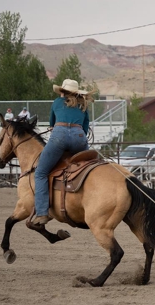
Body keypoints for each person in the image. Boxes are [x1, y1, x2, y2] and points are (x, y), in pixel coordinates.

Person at [33, 79, 92, 226]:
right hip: (79, 137)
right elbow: (85, 127)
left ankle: (42, 213)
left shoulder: (57, 102)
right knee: (90, 168)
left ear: (62, 91)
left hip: (59, 136)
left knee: (40, 173)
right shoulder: (82, 104)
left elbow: (52, 124)